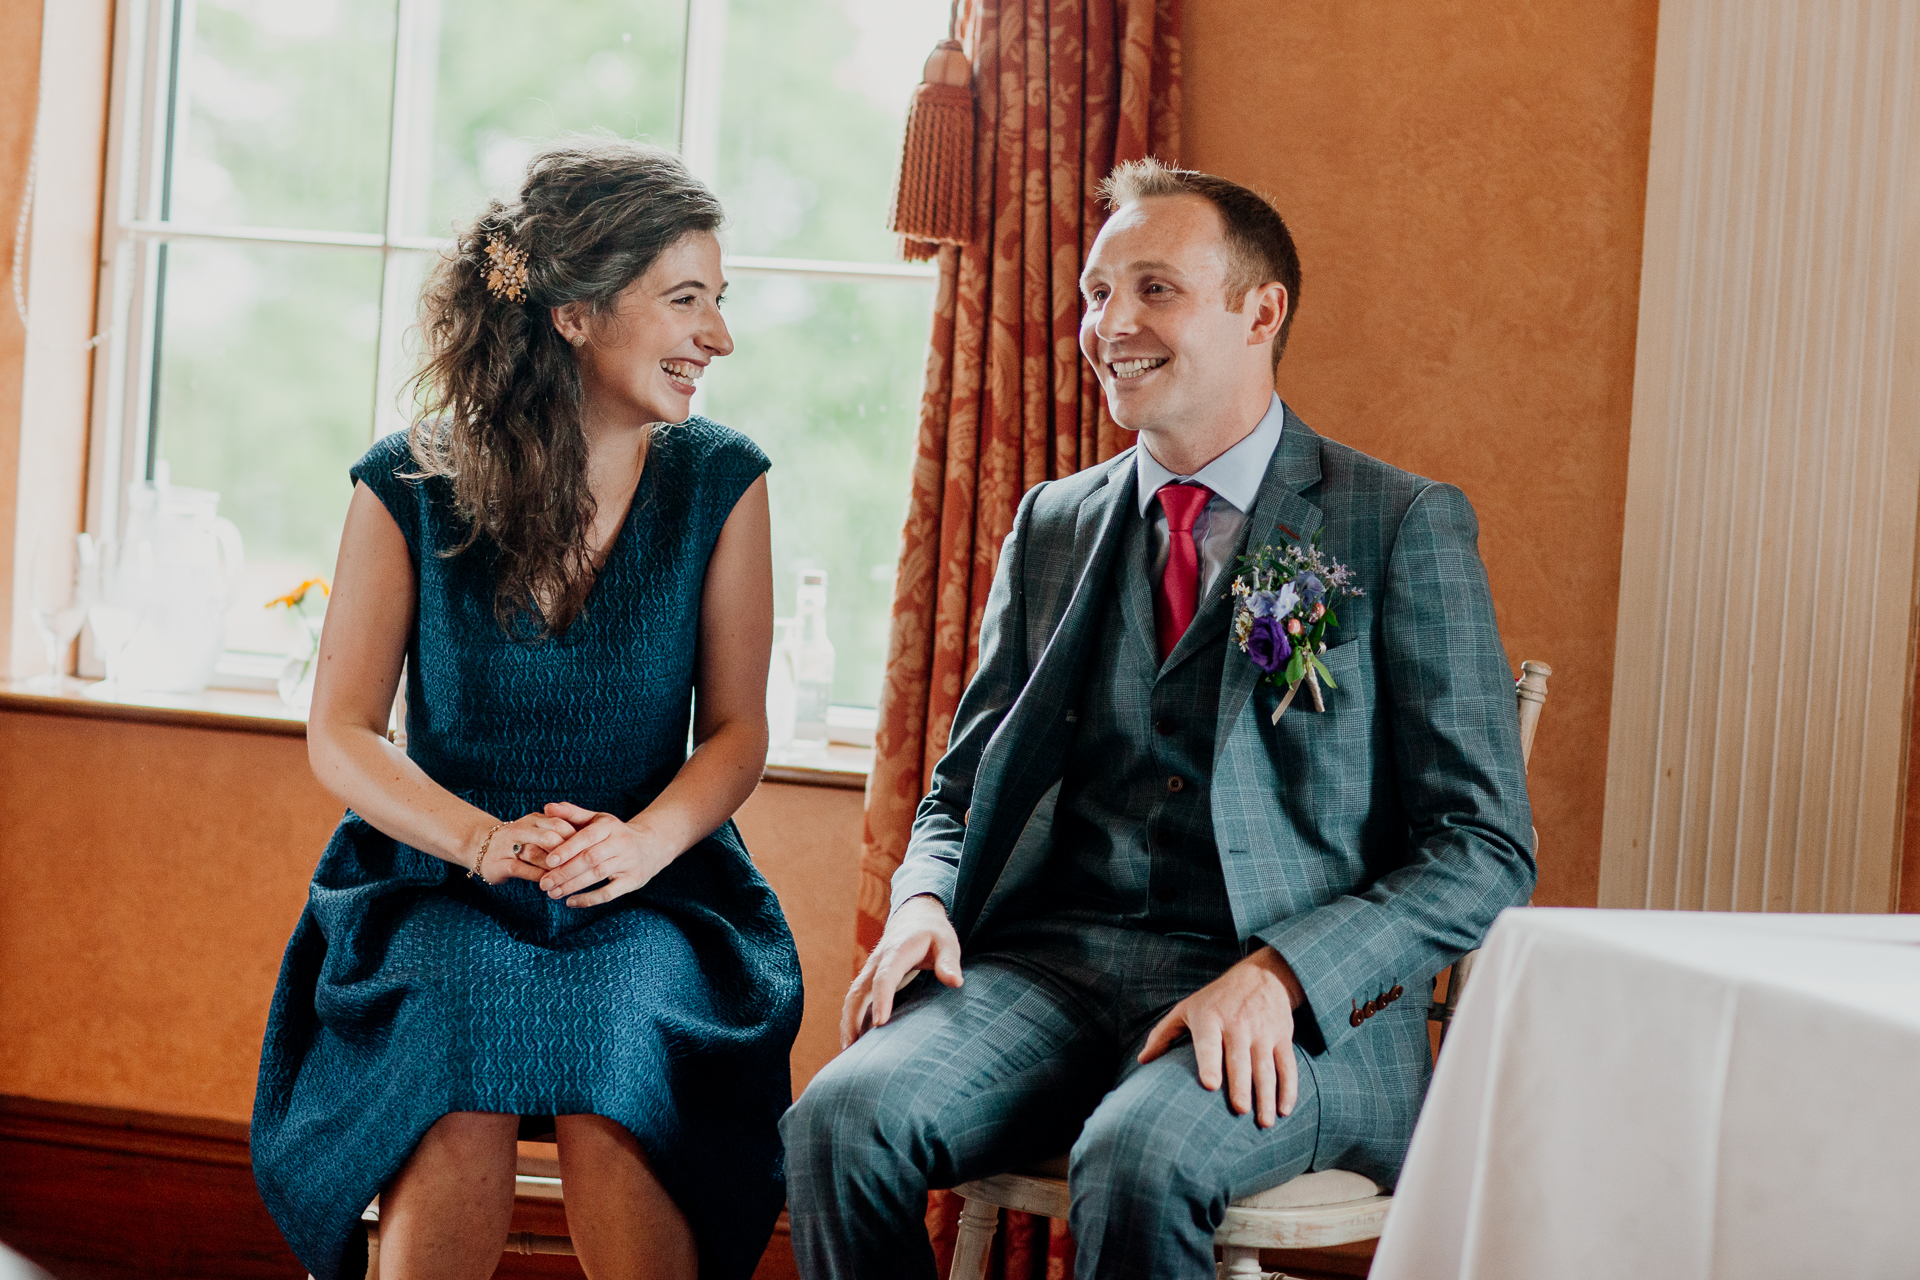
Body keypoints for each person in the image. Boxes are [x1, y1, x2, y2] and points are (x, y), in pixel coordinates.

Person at [781, 159, 1537, 1280]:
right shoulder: (1052, 524)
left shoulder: (1395, 524)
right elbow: (959, 788)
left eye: (1154, 289)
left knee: (1140, 1156)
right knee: (841, 1123)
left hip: (1299, 1002)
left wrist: (1283, 970)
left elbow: (1484, 850)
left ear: (1259, 310)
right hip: (1048, 971)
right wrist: (924, 900)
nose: (1108, 323)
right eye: (1096, 292)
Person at [252, 138, 802, 1280]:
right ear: (576, 313)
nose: (719, 337)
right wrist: (481, 839)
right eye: (686, 300)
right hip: (434, 884)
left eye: (721, 302)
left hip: (653, 890)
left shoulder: (722, 481)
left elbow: (739, 732)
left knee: (613, 1060)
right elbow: (342, 730)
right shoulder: (403, 481)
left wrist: (638, 843)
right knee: (459, 1048)